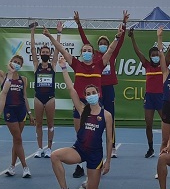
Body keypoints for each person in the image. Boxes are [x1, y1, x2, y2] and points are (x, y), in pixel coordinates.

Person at [43, 23, 121, 178]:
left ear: (93, 54)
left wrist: (117, 36)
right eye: (84, 50)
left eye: (89, 51)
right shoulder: (76, 64)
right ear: (81, 53)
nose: (87, 52)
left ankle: (96, 163)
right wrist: (51, 36)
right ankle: (80, 164)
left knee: (96, 135)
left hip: (96, 104)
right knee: (81, 135)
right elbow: (62, 49)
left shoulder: (99, 64)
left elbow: (111, 50)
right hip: (79, 104)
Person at [50, 56, 113, 189]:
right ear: (85, 95)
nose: (91, 95)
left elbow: (108, 139)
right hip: (79, 150)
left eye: (93, 92)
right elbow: (71, 89)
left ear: (98, 94)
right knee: (55, 155)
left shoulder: (106, 115)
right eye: (88, 93)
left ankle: (91, 180)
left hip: (95, 155)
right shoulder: (82, 109)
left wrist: (108, 162)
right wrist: (64, 68)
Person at [74, 10, 128, 157]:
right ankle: (86, 143)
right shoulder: (96, 57)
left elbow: (120, 41)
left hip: (108, 89)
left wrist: (124, 24)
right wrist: (79, 24)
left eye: (105, 43)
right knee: (92, 117)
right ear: (97, 47)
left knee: (110, 116)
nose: (103, 45)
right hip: (95, 90)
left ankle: (112, 146)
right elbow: (84, 39)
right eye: (101, 44)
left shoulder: (111, 55)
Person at [0, 37, 34, 177]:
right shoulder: (2, 76)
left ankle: (12, 166)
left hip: (21, 111)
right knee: (18, 139)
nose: (16, 64)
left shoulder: (23, 79)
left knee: (16, 140)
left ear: (21, 66)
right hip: (9, 110)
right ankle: (25, 167)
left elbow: (24, 97)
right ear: (10, 63)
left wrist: (29, 113)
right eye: (14, 62)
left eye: (18, 63)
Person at [129, 26, 170, 158]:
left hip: (162, 98)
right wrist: (132, 37)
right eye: (153, 55)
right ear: (150, 56)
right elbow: (137, 51)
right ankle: (150, 148)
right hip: (149, 98)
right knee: (148, 124)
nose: (156, 57)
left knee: (167, 122)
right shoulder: (147, 65)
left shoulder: (165, 64)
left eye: (157, 55)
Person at [29, 23, 59, 158]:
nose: (45, 54)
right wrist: (32, 32)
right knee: (39, 123)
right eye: (43, 52)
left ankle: (49, 148)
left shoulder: (53, 65)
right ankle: (39, 147)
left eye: (47, 52)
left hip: (50, 98)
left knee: (50, 123)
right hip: (38, 98)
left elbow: (58, 49)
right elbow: (33, 48)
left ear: (50, 54)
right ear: (41, 54)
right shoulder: (37, 65)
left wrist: (58, 33)